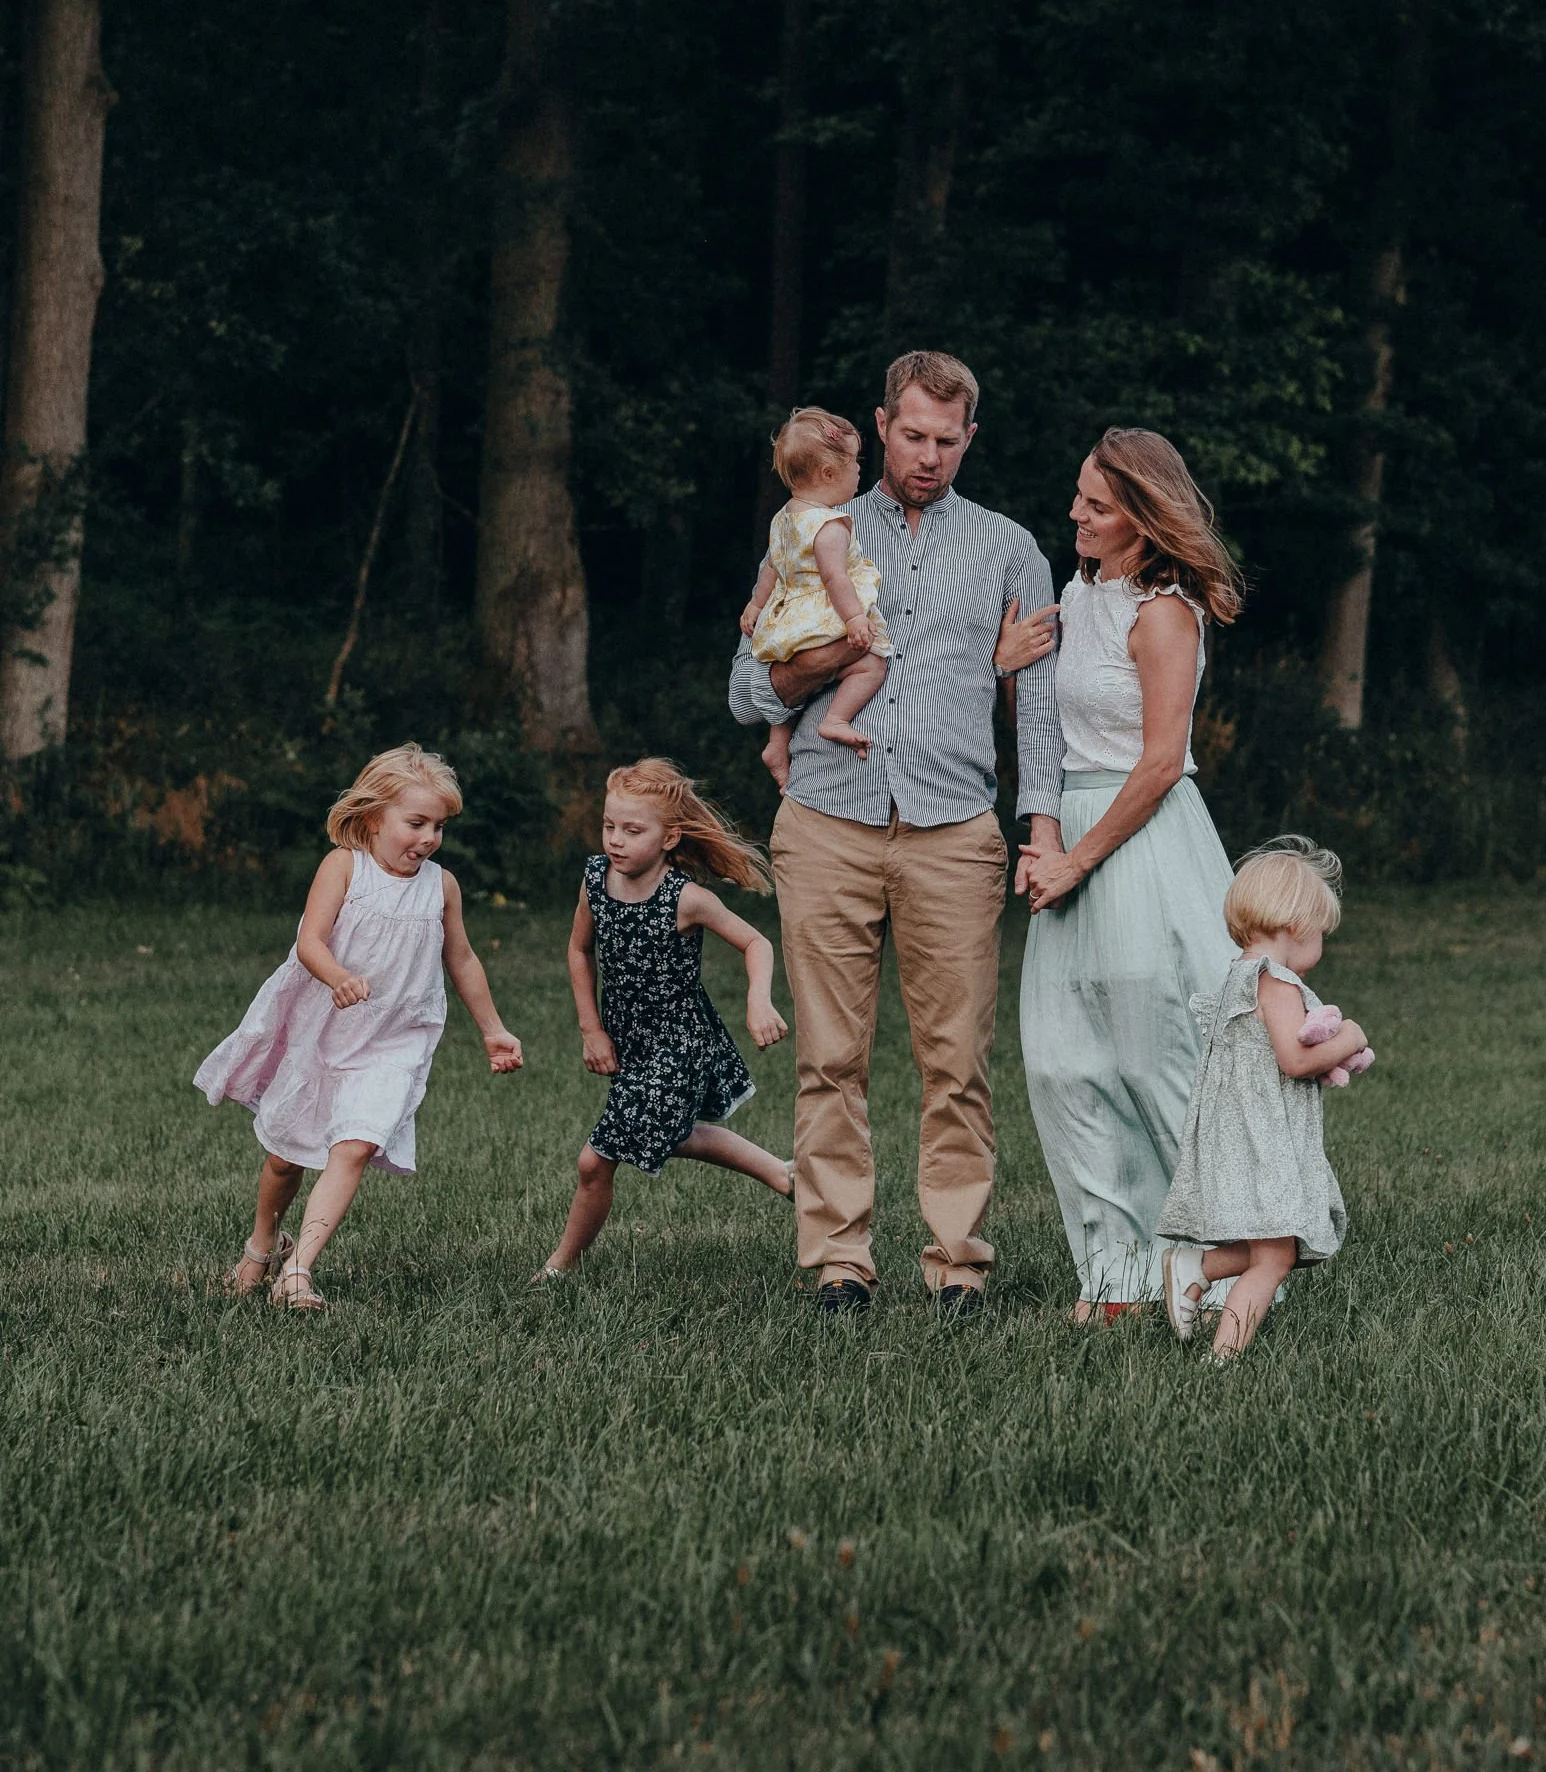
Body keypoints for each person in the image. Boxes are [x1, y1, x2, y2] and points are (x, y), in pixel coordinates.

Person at [729, 350, 1064, 1318]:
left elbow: (1033, 706)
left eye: (945, 440)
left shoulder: (1009, 548)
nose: (927, 455)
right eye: (911, 435)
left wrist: (1037, 828)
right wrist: (837, 654)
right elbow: (747, 688)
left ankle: (957, 1261)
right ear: (880, 425)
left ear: (971, 439)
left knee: (954, 1058)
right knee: (828, 1055)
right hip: (826, 818)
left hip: (954, 827)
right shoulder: (810, 521)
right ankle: (839, 1259)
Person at [1005, 428, 1243, 1324]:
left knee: (1158, 1059)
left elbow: (1158, 762)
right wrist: (1009, 674)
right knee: (1066, 1065)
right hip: (1069, 833)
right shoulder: (1077, 592)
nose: (1075, 515)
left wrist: (1077, 857)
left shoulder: (1165, 611)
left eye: (1097, 505)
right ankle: (1115, 1276)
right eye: (1077, 497)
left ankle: (1215, 1267)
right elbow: (1057, 727)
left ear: (1143, 518)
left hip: (1140, 842)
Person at [197, 743, 523, 1312]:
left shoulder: (440, 886)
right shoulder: (344, 866)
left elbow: (463, 958)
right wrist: (338, 976)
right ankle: (261, 1248)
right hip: (324, 1033)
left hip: (396, 1038)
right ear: (374, 817)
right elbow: (309, 941)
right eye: (415, 823)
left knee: (355, 1145)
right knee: (285, 1157)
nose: (427, 839)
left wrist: (493, 1028)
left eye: (438, 827)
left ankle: (297, 1273)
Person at [532, 758, 793, 1280]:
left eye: (633, 830)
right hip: (630, 1042)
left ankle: (559, 1266)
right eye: (610, 826)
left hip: (680, 1043)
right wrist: (591, 1028)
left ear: (670, 836)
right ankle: (786, 1175)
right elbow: (579, 951)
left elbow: (756, 942)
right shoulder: (595, 881)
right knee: (671, 1134)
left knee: (594, 1160)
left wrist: (758, 1001)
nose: (616, 840)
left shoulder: (686, 898)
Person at [1158, 839, 1363, 1360]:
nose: (1322, 943)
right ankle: (1222, 1360)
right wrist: (1352, 1037)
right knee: (1274, 1259)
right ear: (1295, 926)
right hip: (1260, 1141)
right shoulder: (1278, 982)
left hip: (1241, 1135)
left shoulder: (1239, 975)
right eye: (1321, 932)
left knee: (1279, 1248)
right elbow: (1295, 1060)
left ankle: (1194, 1268)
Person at [741, 408, 894, 791]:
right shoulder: (830, 526)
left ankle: (778, 743)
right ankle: (837, 719)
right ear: (828, 474)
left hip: (786, 620)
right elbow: (835, 577)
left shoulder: (784, 518)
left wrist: (756, 605)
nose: (861, 470)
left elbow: (772, 567)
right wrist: (856, 619)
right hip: (823, 617)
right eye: (855, 462)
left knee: (793, 673)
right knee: (872, 664)